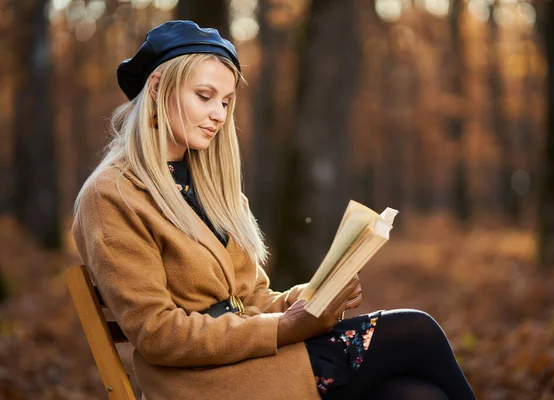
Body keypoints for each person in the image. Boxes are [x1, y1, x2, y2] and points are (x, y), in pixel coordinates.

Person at [72, 20, 476, 400]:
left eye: (227, 102)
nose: (219, 114)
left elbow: (253, 298)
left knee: (416, 396)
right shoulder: (113, 196)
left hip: (253, 363)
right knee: (414, 330)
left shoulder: (212, 188)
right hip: (201, 383)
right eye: (204, 96)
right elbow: (159, 335)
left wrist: (315, 296)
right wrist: (284, 327)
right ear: (158, 88)